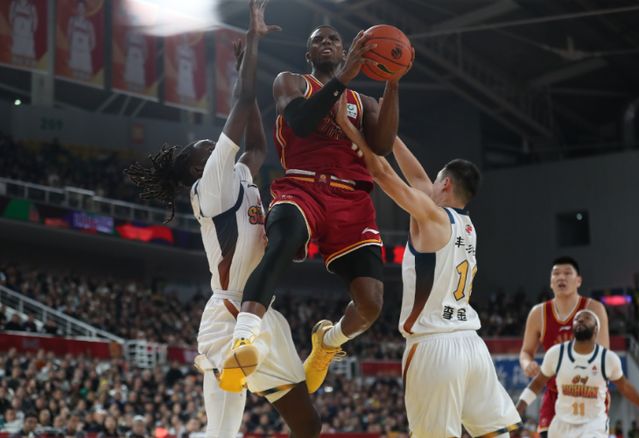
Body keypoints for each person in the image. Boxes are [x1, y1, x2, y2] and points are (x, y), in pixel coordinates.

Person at [125, 2, 320, 437]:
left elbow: (258, 147)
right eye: (205, 148)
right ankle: (228, 366)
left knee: (308, 424)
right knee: (224, 431)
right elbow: (243, 101)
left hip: (261, 308)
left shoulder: (238, 175)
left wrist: (243, 69)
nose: (212, 144)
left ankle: (238, 365)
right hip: (230, 310)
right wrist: (251, 45)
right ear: (198, 167)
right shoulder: (210, 184)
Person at [223, 23, 405, 395]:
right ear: (308, 54)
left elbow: (383, 146)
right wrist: (343, 78)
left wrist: (393, 83)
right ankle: (243, 341)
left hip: (352, 200)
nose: (326, 43)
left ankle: (329, 342)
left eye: (333, 40)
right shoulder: (291, 82)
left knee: (371, 303)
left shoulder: (364, 103)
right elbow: (302, 123)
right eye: (317, 40)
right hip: (302, 186)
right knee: (282, 242)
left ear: (345, 51)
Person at [335, 94, 521, 437]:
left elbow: (382, 173)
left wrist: (348, 127)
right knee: (495, 433)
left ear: (445, 185)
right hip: (472, 345)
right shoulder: (467, 225)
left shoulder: (432, 218)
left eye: (436, 181)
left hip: (435, 347)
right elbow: (418, 178)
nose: (427, 184)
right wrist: (390, 136)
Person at [516, 309, 639, 437]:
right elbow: (537, 383)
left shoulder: (608, 359)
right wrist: (518, 409)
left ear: (596, 329)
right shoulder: (556, 354)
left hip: (593, 425)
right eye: (577, 319)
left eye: (586, 318)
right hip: (561, 424)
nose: (580, 320)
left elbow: (626, 388)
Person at [519, 256, 610, 436]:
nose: (561, 277)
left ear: (578, 281)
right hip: (555, 393)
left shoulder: (594, 309)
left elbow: (603, 356)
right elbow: (526, 352)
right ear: (551, 282)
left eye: (567, 273)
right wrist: (527, 364)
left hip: (588, 393)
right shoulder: (538, 313)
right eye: (556, 274)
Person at [67, 0, 95, 76]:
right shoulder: (72, 21)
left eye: (82, 7)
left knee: (85, 77)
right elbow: (69, 37)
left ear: (85, 9)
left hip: (85, 55)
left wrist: (85, 51)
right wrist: (72, 50)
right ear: (76, 8)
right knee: (74, 76)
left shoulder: (89, 24)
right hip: (75, 52)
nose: (80, 9)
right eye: (79, 7)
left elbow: (93, 42)